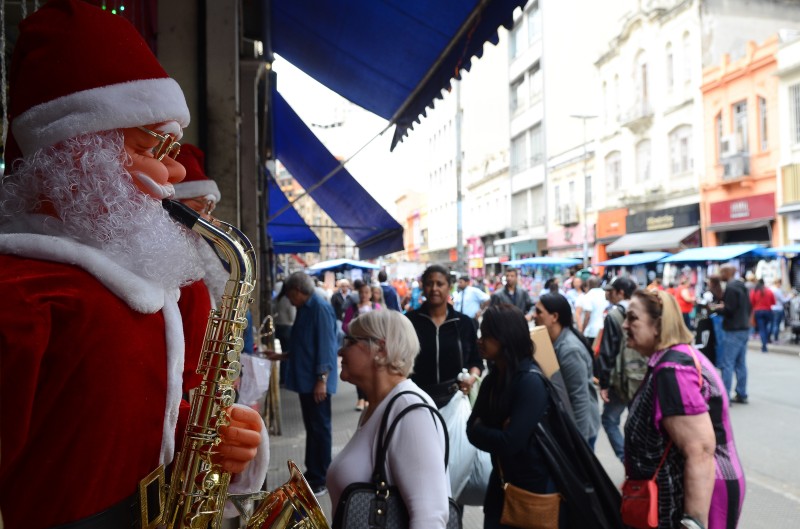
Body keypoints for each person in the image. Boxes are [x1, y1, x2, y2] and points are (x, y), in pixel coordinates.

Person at [0, 2, 265, 527]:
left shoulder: (143, 286)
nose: (172, 171)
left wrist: (210, 437)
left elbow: (142, 422)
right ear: (76, 153)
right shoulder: (19, 296)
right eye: (153, 146)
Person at [622, 289, 745, 529]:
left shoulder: (673, 370)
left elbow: (699, 450)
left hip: (698, 495)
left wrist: (693, 522)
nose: (625, 325)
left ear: (658, 325)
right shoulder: (671, 358)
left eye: (632, 318)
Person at [327, 310, 452, 528]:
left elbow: (430, 518)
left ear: (381, 350)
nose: (340, 350)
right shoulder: (378, 406)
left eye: (349, 341)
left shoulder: (410, 410)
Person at [466, 304, 557, 529]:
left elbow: (510, 442)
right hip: (499, 485)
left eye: (486, 335)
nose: (480, 340)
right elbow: (470, 430)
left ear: (505, 337)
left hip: (530, 492)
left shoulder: (530, 382)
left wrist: (484, 428)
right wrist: (496, 431)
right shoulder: (492, 380)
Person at [266, 271, 339, 495]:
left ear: (298, 291)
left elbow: (326, 346)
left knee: (320, 427)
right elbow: (303, 344)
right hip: (308, 379)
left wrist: (322, 380)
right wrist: (281, 356)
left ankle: (321, 477)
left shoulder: (319, 308)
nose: (289, 300)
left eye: (290, 295)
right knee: (313, 427)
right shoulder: (305, 308)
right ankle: (313, 471)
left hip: (316, 381)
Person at [406, 264, 483, 408]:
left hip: (455, 400)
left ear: (449, 287)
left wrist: (471, 378)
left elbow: (476, 360)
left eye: (440, 284)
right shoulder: (410, 322)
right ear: (423, 287)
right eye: (430, 284)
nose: (434, 288)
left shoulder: (463, 323)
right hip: (417, 400)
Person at [534, 293, 601, 448]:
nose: (534, 316)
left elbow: (579, 398)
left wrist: (579, 444)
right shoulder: (554, 342)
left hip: (580, 431)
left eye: (539, 312)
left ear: (554, 317)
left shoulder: (570, 349)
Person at [596, 276, 644, 463]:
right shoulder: (643, 311)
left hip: (620, 379)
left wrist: (604, 384)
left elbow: (607, 353)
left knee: (610, 420)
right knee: (637, 422)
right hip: (641, 376)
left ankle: (627, 460)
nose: (610, 295)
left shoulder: (614, 316)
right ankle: (640, 462)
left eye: (612, 291)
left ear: (621, 292)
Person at [714, 264, 752, 403]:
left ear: (726, 273)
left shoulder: (731, 288)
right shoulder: (742, 286)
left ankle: (726, 395)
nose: (720, 275)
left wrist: (718, 309)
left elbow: (729, 309)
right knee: (740, 363)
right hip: (744, 327)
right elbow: (748, 307)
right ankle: (742, 393)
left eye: (721, 272)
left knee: (728, 363)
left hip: (733, 329)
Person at [344, 280, 382, 411]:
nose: (364, 295)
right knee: (358, 370)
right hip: (357, 345)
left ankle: (368, 398)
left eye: (366, 292)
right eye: (361, 292)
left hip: (373, 345)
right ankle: (360, 398)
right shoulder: (353, 308)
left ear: (371, 294)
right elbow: (345, 325)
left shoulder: (376, 308)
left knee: (372, 371)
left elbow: (381, 325)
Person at [578, 276, 608, 343]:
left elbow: (587, 316)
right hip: (604, 329)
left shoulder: (588, 296)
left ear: (588, 284)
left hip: (591, 331)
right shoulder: (605, 294)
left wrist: (582, 330)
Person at [749, 279, 775, 353]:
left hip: (758, 312)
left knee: (762, 329)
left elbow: (751, 302)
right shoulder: (769, 291)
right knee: (766, 327)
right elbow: (773, 302)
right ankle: (765, 343)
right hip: (768, 311)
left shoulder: (754, 291)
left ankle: (764, 346)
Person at [769, 278, 791, 343]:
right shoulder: (777, 290)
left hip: (771, 308)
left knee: (771, 324)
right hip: (778, 308)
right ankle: (775, 338)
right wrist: (790, 296)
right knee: (776, 324)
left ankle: (769, 337)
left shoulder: (770, 289)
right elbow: (784, 300)